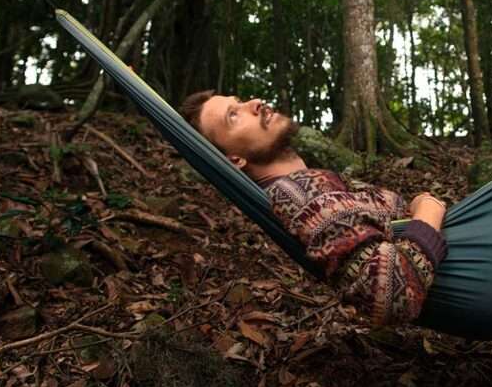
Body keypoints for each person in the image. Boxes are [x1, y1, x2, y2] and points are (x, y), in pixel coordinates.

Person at [178, 91, 447, 326]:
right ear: (235, 159)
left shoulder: (307, 185)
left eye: (240, 101)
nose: (255, 103)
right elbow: (388, 294)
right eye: (233, 116)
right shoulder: (297, 193)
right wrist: (429, 210)